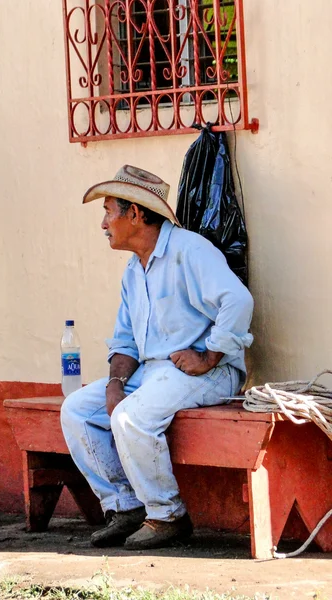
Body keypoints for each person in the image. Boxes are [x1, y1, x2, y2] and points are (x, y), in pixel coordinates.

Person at [61, 165, 254, 550]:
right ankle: (125, 507)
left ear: (135, 213)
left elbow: (237, 300)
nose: (104, 224)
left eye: (108, 211)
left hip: (207, 373)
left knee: (132, 417)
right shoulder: (135, 270)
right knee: (78, 409)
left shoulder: (189, 249)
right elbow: (125, 342)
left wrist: (210, 355)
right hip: (153, 374)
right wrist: (115, 384)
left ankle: (168, 516)